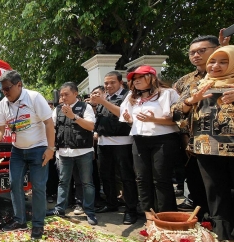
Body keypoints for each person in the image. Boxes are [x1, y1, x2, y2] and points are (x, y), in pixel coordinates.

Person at [0, 70, 55, 240]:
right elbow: (0, 128)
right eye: (3, 90)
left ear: (19, 85)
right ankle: (19, 221)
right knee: (14, 184)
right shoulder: (3, 104)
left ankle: (38, 225)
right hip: (18, 151)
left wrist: (50, 148)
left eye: (7, 89)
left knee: (38, 187)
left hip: (38, 148)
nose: (5, 93)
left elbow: (49, 123)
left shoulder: (34, 98)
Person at [181, 45, 234, 242]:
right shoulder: (198, 85)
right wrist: (192, 100)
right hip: (207, 147)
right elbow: (176, 110)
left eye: (223, 61)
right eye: (213, 61)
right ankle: (224, 240)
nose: (216, 66)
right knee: (216, 193)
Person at [171, 33, 230, 218]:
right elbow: (176, 110)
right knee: (201, 189)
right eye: (192, 53)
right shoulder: (186, 81)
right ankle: (211, 230)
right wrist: (189, 102)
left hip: (228, 145)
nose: (196, 55)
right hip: (197, 144)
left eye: (202, 51)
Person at [120, 65, 180, 224]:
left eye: (140, 78)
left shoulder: (168, 94)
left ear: (152, 77)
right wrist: (129, 120)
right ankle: (150, 217)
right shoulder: (132, 97)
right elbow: (135, 120)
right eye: (134, 79)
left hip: (164, 139)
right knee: (142, 178)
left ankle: (168, 219)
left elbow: (178, 119)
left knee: (161, 179)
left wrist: (154, 119)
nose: (137, 81)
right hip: (139, 140)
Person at [90, 76, 139, 225]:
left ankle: (131, 209)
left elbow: (122, 113)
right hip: (104, 143)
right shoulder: (104, 97)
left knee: (126, 177)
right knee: (106, 175)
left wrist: (103, 101)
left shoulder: (128, 95)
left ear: (120, 83)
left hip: (122, 142)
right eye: (106, 83)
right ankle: (111, 203)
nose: (109, 85)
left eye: (112, 82)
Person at [48, 82, 98, 225]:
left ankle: (89, 212)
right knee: (63, 182)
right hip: (64, 153)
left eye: (66, 94)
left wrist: (73, 116)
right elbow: (51, 128)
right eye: (61, 95)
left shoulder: (85, 107)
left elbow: (91, 126)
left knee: (87, 183)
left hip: (83, 152)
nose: (63, 97)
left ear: (75, 94)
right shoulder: (57, 110)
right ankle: (60, 209)